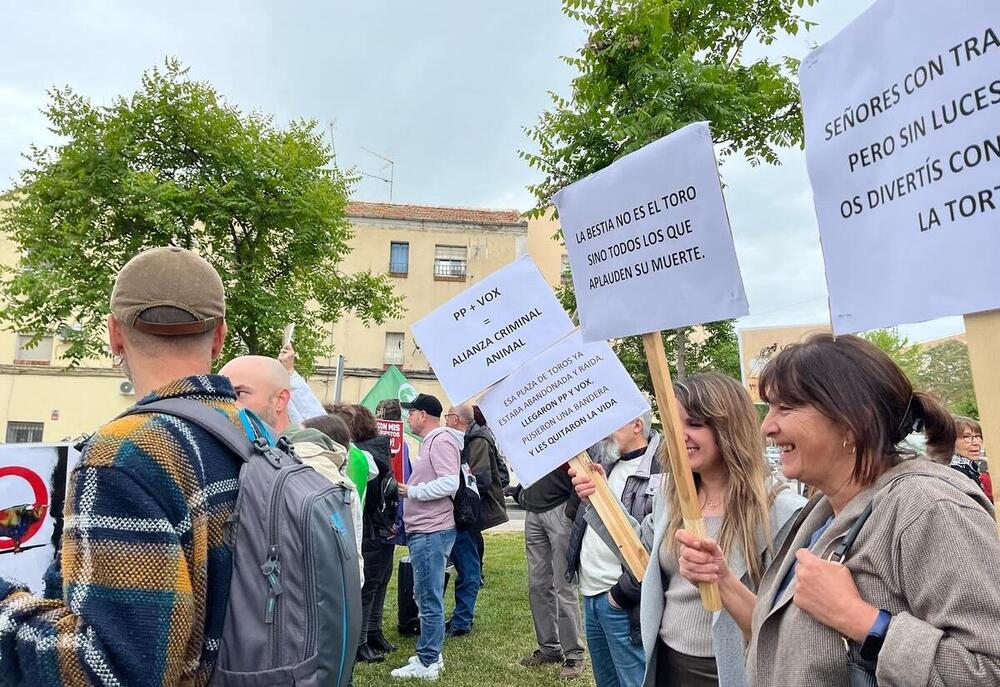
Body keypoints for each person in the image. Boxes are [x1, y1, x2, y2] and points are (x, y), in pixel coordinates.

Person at [677, 334, 1000, 685]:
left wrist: (862, 620)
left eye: (785, 408)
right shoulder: (823, 511)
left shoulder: (927, 506)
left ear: (852, 420)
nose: (766, 426)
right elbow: (779, 643)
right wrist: (722, 580)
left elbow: (988, 670)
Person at [0, 246, 239, 685]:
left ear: (115, 334)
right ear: (220, 335)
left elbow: (112, 670)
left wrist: (6, 608)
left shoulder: (124, 454)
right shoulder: (251, 434)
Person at [573, 373, 805, 687]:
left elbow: (790, 630)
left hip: (731, 673)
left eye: (694, 424)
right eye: (673, 424)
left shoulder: (781, 511)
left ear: (729, 427)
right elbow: (642, 554)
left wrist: (721, 580)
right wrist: (600, 500)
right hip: (666, 665)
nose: (680, 436)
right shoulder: (673, 495)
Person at [564, 412, 662, 687]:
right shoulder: (604, 464)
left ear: (637, 425)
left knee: (634, 681)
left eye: (612, 422)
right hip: (591, 595)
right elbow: (578, 517)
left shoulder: (661, 469)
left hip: (623, 601)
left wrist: (621, 593)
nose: (603, 430)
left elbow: (657, 546)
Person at [390, 393, 462, 680]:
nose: (408, 418)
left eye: (411, 413)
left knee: (428, 597)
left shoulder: (440, 440)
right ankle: (434, 653)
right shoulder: (433, 442)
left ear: (423, 415)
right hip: (426, 528)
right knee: (425, 594)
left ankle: (428, 661)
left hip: (432, 529)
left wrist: (412, 491)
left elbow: (449, 482)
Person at [511, 466, 587, 679]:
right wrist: (521, 493)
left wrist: (570, 512)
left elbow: (582, 468)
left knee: (565, 585)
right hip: (534, 512)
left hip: (559, 509)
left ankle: (574, 654)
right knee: (538, 585)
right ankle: (549, 648)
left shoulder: (564, 434)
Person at [443, 403, 509, 637]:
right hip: (467, 511)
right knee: (467, 565)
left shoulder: (477, 440)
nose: (445, 419)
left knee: (469, 569)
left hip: (468, 513)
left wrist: (455, 494)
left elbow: (478, 479)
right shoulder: (469, 438)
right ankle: (461, 618)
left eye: (448, 415)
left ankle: (462, 621)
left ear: (457, 419)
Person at [346, 403, 399, 664]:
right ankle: (374, 633)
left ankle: (361, 642)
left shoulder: (361, 455)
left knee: (367, 587)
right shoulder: (380, 448)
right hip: (383, 527)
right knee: (379, 583)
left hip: (368, 527)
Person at [952, 415, 989, 497]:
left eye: (978, 436)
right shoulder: (954, 471)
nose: (976, 442)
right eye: (966, 436)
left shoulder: (969, 465)